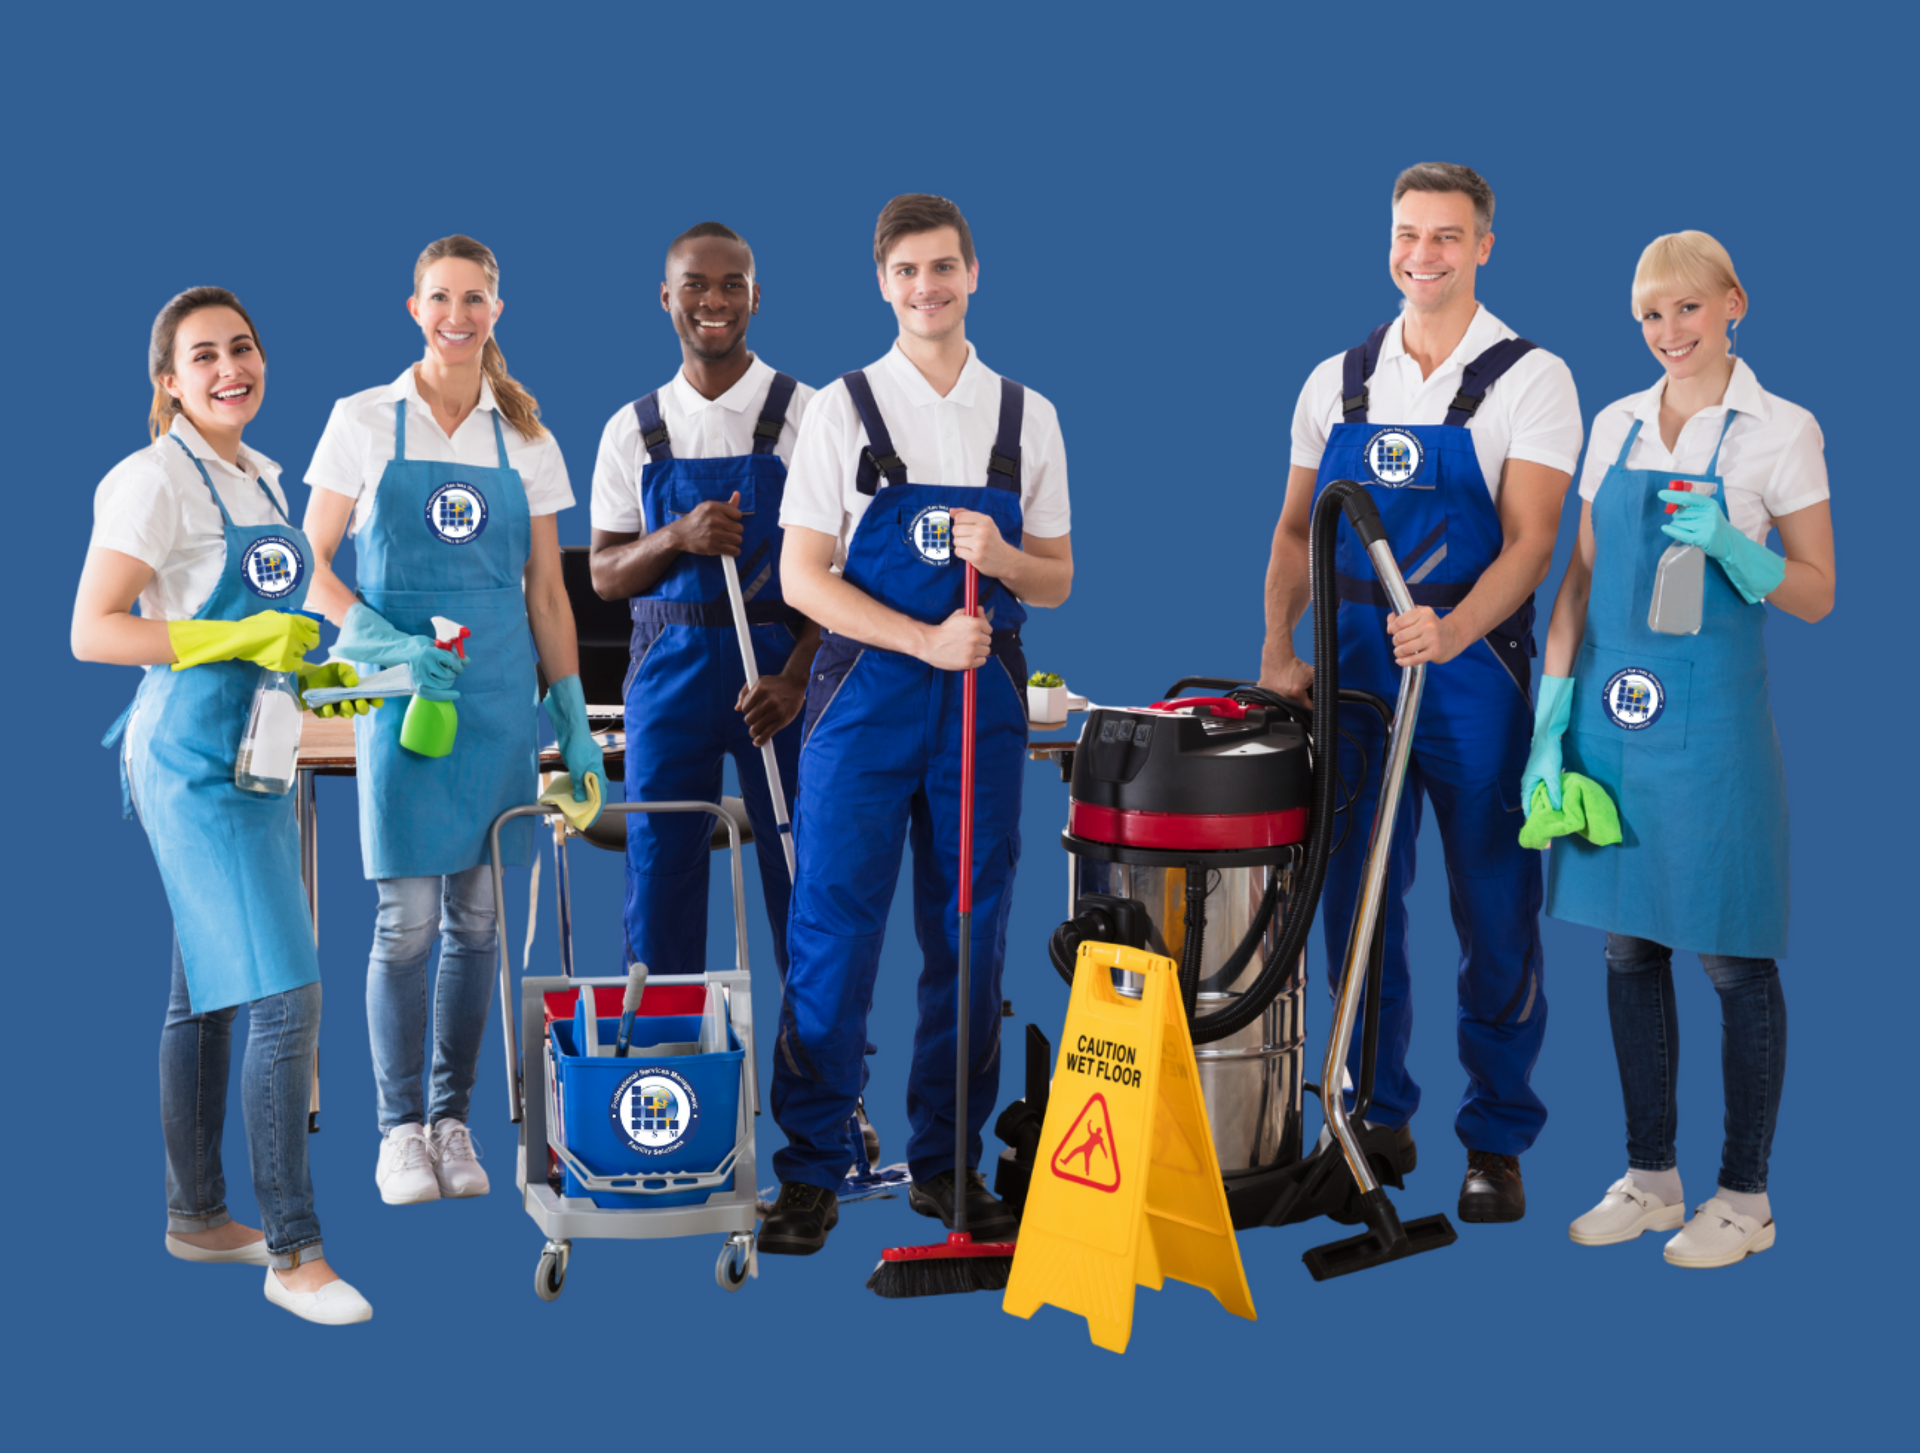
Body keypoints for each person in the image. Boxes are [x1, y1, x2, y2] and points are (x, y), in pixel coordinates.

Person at [1259, 163, 1583, 1222]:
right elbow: (1294, 529)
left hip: (1470, 679)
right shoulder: (1337, 380)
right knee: (1354, 905)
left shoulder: (1530, 377)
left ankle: (1495, 1136)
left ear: (1483, 244)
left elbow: (1534, 542)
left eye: (1446, 237)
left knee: (1495, 912)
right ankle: (1369, 1118)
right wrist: (1278, 645)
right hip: (1353, 687)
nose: (1423, 256)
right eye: (1408, 235)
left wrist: (1450, 630)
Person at [758, 194, 1073, 1255]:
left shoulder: (1027, 417)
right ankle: (809, 1170)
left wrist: (1008, 560)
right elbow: (804, 578)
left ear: (974, 273)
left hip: (981, 700)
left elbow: (1060, 577)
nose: (926, 288)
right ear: (882, 283)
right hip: (865, 696)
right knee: (832, 931)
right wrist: (920, 639)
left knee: (971, 934)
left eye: (944, 268)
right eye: (906, 272)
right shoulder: (843, 410)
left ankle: (947, 1164)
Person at [1533, 232, 1833, 1267]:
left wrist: (1737, 546)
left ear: (1733, 303)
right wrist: (1549, 719)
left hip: (1709, 734)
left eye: (1687, 310)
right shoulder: (1613, 425)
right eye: (1651, 316)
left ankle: (1744, 1196)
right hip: (1610, 723)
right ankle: (1650, 1177)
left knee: (1733, 957)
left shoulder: (1780, 432)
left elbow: (1818, 591)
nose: (1669, 333)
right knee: (1627, 946)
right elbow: (1576, 580)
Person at [75, 287, 373, 1324]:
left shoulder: (260, 478)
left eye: (240, 348)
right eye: (201, 357)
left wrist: (354, 658)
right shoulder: (151, 480)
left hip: (254, 756)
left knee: (203, 988)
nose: (227, 369)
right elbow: (94, 630)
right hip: (189, 761)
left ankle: (199, 1216)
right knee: (286, 993)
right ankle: (296, 1251)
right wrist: (237, 641)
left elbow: (294, 614)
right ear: (167, 380)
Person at [302, 235, 607, 1206]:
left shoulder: (525, 437)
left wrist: (571, 712)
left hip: (494, 703)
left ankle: (452, 1120)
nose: (457, 314)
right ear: (414, 307)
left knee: (478, 921)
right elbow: (305, 563)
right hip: (405, 700)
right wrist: (380, 643)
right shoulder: (362, 420)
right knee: (407, 922)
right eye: (441, 297)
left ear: (496, 311)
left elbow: (548, 595)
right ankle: (396, 1130)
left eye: (475, 298)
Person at [588, 222, 818, 981]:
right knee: (659, 881)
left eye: (731, 285)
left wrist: (797, 679)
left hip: (780, 679)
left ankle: (821, 1090)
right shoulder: (633, 429)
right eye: (694, 284)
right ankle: (662, 1072)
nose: (712, 300)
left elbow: (844, 571)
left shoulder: (807, 417)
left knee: (807, 876)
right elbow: (605, 574)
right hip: (668, 676)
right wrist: (678, 536)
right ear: (666, 297)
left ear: (757, 297)